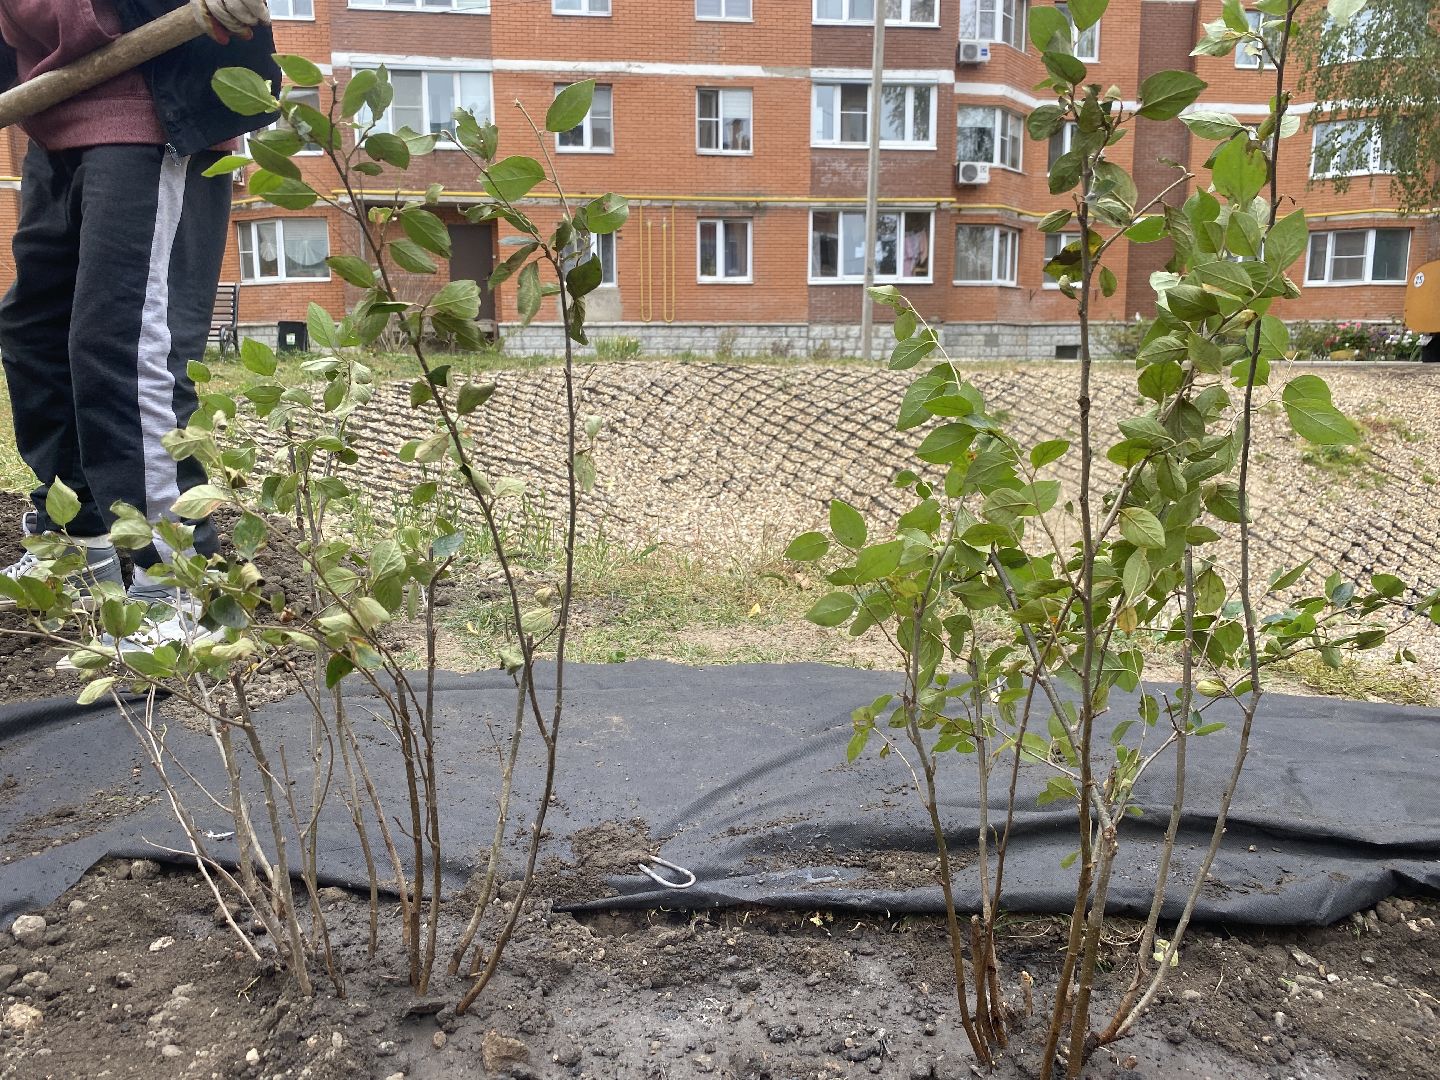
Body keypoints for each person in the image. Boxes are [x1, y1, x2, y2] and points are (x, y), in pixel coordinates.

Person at [0, 0, 277, 651]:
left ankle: (175, 583)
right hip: (49, 114)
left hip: (149, 107)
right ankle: (77, 545)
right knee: (32, 336)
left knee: (121, 350)